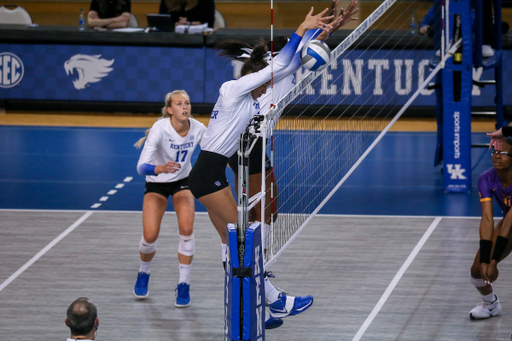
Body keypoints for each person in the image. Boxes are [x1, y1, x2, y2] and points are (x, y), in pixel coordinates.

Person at [187, 7, 338, 326]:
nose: (264, 94)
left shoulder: (250, 98)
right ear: (254, 78)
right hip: (207, 174)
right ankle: (276, 301)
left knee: (233, 247)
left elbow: (288, 66)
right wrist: (300, 28)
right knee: (245, 240)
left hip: (207, 174)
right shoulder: (232, 90)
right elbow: (280, 65)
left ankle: (246, 307)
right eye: (262, 86)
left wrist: (315, 36)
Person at [225, 0, 359, 257]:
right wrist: (328, 25)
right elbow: (309, 37)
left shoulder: (264, 59)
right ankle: (255, 266)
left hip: (246, 142)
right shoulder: (284, 65)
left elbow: (311, 36)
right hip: (248, 142)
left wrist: (332, 24)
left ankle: (252, 261)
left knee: (261, 210)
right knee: (262, 210)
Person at [133, 90, 207, 308]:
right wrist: (160, 168)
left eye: (187, 103)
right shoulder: (160, 128)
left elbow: (214, 151)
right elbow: (140, 167)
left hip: (182, 181)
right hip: (156, 182)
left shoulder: (198, 128)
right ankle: (143, 272)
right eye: (179, 104)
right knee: (150, 235)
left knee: (186, 230)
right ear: (170, 110)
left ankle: (183, 284)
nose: (185, 107)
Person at [468, 137, 512, 319]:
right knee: (477, 270)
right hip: (510, 224)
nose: (497, 157)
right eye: (495, 152)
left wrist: (494, 262)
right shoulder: (486, 178)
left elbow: (509, 221)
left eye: (503, 153)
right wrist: (486, 261)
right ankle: (491, 304)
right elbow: (487, 219)